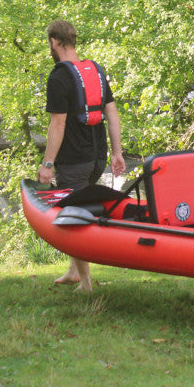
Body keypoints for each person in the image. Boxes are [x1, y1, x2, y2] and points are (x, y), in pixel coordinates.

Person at [37, 20, 126, 292]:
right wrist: (117, 153)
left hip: (74, 159)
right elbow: (112, 114)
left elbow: (58, 124)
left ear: (54, 42)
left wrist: (47, 164)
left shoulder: (59, 77)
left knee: (73, 217)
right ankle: (73, 270)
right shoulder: (95, 71)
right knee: (80, 206)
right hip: (97, 158)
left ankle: (85, 283)